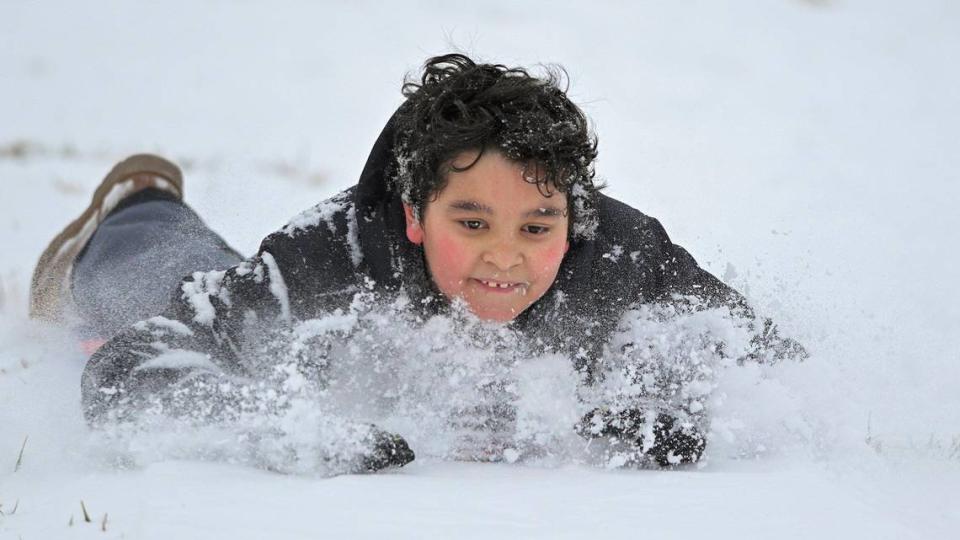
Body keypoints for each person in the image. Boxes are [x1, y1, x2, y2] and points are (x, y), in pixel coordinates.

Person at [31, 54, 804, 473]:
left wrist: (678, 410)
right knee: (162, 282)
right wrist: (278, 430)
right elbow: (135, 365)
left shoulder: (624, 252)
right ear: (413, 213)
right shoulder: (330, 256)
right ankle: (138, 200)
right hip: (180, 267)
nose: (506, 255)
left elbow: (763, 364)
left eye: (538, 225)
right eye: (472, 221)